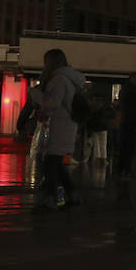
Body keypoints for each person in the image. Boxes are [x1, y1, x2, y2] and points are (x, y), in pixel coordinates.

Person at [28, 47, 86, 208]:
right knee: (57, 164)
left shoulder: (58, 79)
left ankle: (56, 199)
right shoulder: (69, 79)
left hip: (58, 127)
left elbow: (53, 102)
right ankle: (71, 195)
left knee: (50, 165)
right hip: (66, 126)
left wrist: (34, 94)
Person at [117, 74, 136, 175]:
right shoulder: (134, 92)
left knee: (125, 146)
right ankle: (126, 169)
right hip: (131, 121)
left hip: (127, 121)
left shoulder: (125, 90)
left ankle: (122, 169)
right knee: (129, 147)